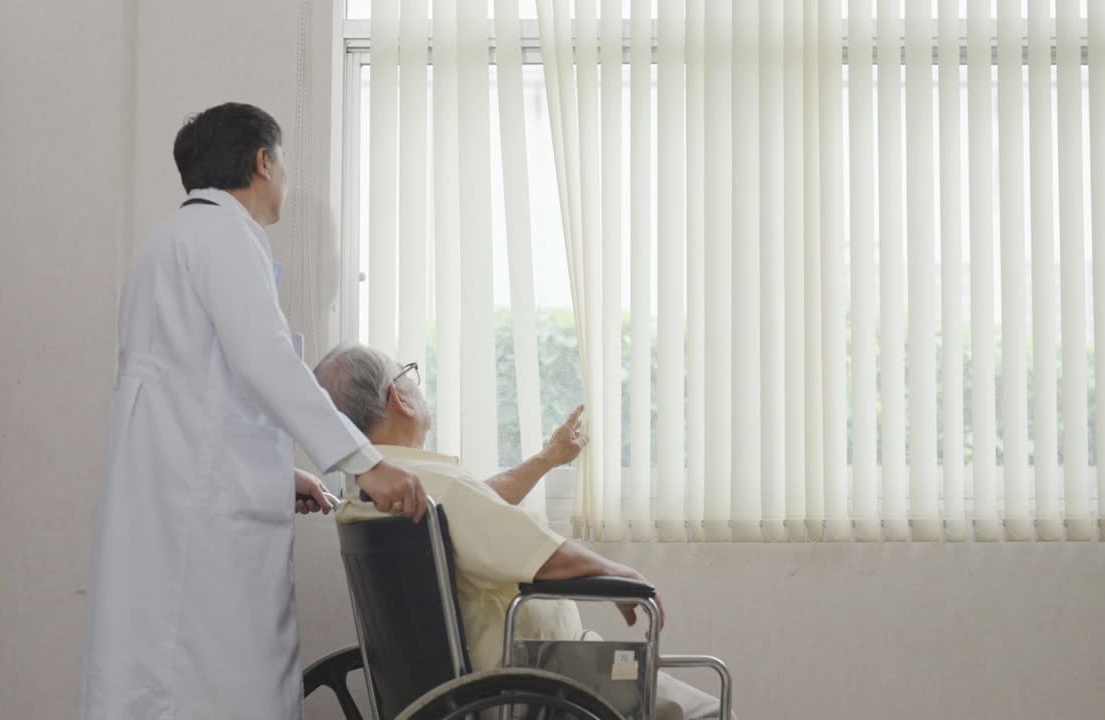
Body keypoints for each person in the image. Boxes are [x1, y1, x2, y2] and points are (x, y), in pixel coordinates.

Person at [80, 103, 427, 720]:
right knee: (216, 683)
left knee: (164, 675)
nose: (286, 177)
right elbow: (265, 364)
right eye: (283, 162)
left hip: (175, 504)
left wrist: (278, 474)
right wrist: (365, 463)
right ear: (264, 162)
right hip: (201, 526)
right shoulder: (225, 235)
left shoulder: (168, 245)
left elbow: (198, 399)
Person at [316, 344, 733, 720]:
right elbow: (546, 558)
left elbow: (476, 509)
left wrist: (548, 458)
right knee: (713, 711)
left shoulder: (378, 489)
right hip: (540, 677)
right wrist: (623, 577)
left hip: (503, 677)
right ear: (399, 397)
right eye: (408, 374)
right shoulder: (426, 484)